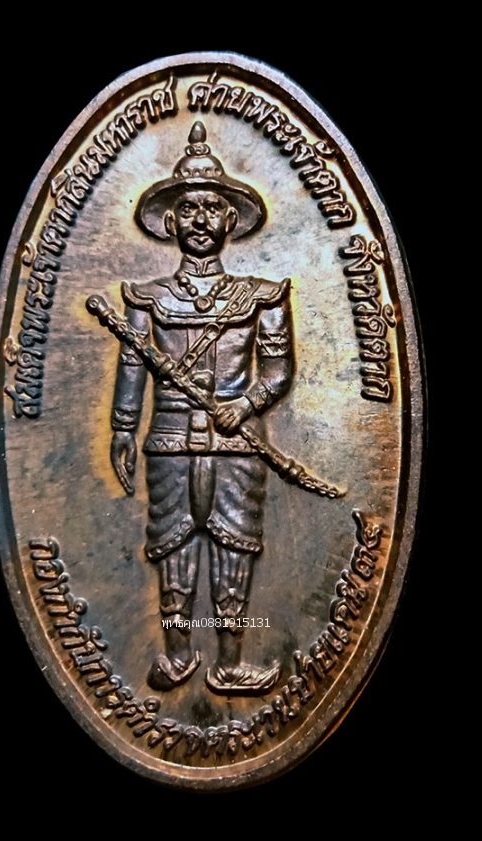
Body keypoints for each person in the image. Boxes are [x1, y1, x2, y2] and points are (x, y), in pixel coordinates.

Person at [110, 122, 295, 695]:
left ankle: (231, 660)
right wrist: (122, 428)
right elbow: (133, 365)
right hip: (168, 440)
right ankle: (176, 655)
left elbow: (278, 370)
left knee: (235, 543)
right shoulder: (146, 299)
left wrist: (249, 402)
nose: (199, 219)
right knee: (173, 542)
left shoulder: (261, 297)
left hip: (237, 443)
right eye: (187, 209)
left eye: (211, 208)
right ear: (170, 222)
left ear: (230, 221)